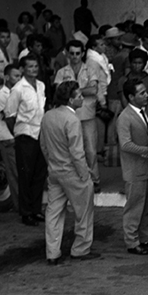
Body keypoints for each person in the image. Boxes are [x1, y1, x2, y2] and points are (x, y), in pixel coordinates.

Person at [39, 81, 97, 264]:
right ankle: (80, 249)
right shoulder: (72, 120)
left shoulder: (48, 116)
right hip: (72, 172)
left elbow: (43, 145)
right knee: (84, 212)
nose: (81, 98)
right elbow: (77, 153)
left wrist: (52, 164)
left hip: (55, 171)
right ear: (71, 100)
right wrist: (85, 175)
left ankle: (52, 252)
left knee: (53, 212)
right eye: (79, 96)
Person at [54, 39, 106, 193]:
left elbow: (94, 89)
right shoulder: (61, 72)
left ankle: (94, 180)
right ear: (67, 54)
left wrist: (71, 92)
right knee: (70, 150)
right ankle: (77, 180)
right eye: (72, 53)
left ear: (83, 53)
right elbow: (59, 93)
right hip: (67, 117)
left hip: (87, 115)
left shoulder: (90, 69)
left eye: (78, 53)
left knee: (90, 150)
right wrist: (83, 90)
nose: (75, 56)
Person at [5, 54, 47, 226]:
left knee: (39, 174)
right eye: (30, 67)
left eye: (35, 66)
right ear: (23, 69)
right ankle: (26, 212)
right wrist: (18, 133)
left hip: (40, 134)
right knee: (25, 174)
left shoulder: (41, 85)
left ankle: (36, 209)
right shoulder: (18, 89)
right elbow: (9, 115)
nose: (33, 70)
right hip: (25, 135)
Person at [117, 79, 148, 255]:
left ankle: (145, 236)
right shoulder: (125, 117)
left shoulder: (143, 112)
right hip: (135, 170)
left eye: (145, 91)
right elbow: (125, 144)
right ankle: (132, 242)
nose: (146, 95)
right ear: (131, 97)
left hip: (147, 169)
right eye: (141, 93)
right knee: (134, 207)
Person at [0, 63, 21, 214]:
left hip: (13, 136)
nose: (19, 79)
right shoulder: (2, 95)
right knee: (14, 173)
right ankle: (20, 206)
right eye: (16, 76)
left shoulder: (14, 92)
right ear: (7, 77)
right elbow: (10, 118)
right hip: (8, 137)